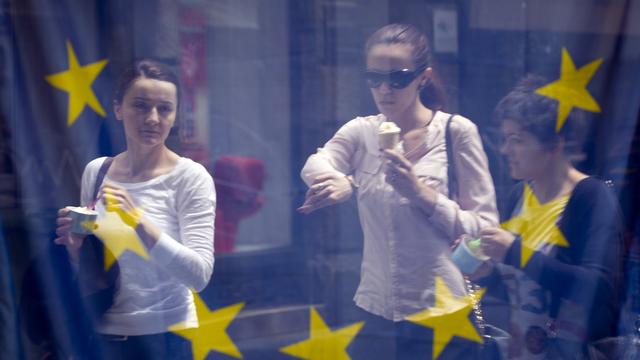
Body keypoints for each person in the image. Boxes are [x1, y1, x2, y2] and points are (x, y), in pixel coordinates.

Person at [299, 24, 498, 358]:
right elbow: (315, 164)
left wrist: (422, 194)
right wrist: (345, 183)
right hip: (377, 310)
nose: (384, 89)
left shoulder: (455, 132)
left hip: (443, 312)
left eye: (398, 77)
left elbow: (486, 230)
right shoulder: (362, 131)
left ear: (423, 77)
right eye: (373, 78)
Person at [54, 59, 216, 359]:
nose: (152, 118)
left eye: (164, 108)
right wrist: (75, 247)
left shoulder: (190, 177)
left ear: (176, 115)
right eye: (140, 105)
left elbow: (199, 276)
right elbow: (92, 267)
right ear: (118, 109)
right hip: (103, 333)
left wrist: (138, 221)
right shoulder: (98, 171)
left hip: (167, 337)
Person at [473, 75, 623, 359]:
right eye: (505, 139)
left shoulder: (591, 197)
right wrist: (488, 277)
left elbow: (598, 288)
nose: (506, 150)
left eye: (516, 140)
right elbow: (527, 295)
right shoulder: (519, 196)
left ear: (555, 144)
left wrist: (514, 252)